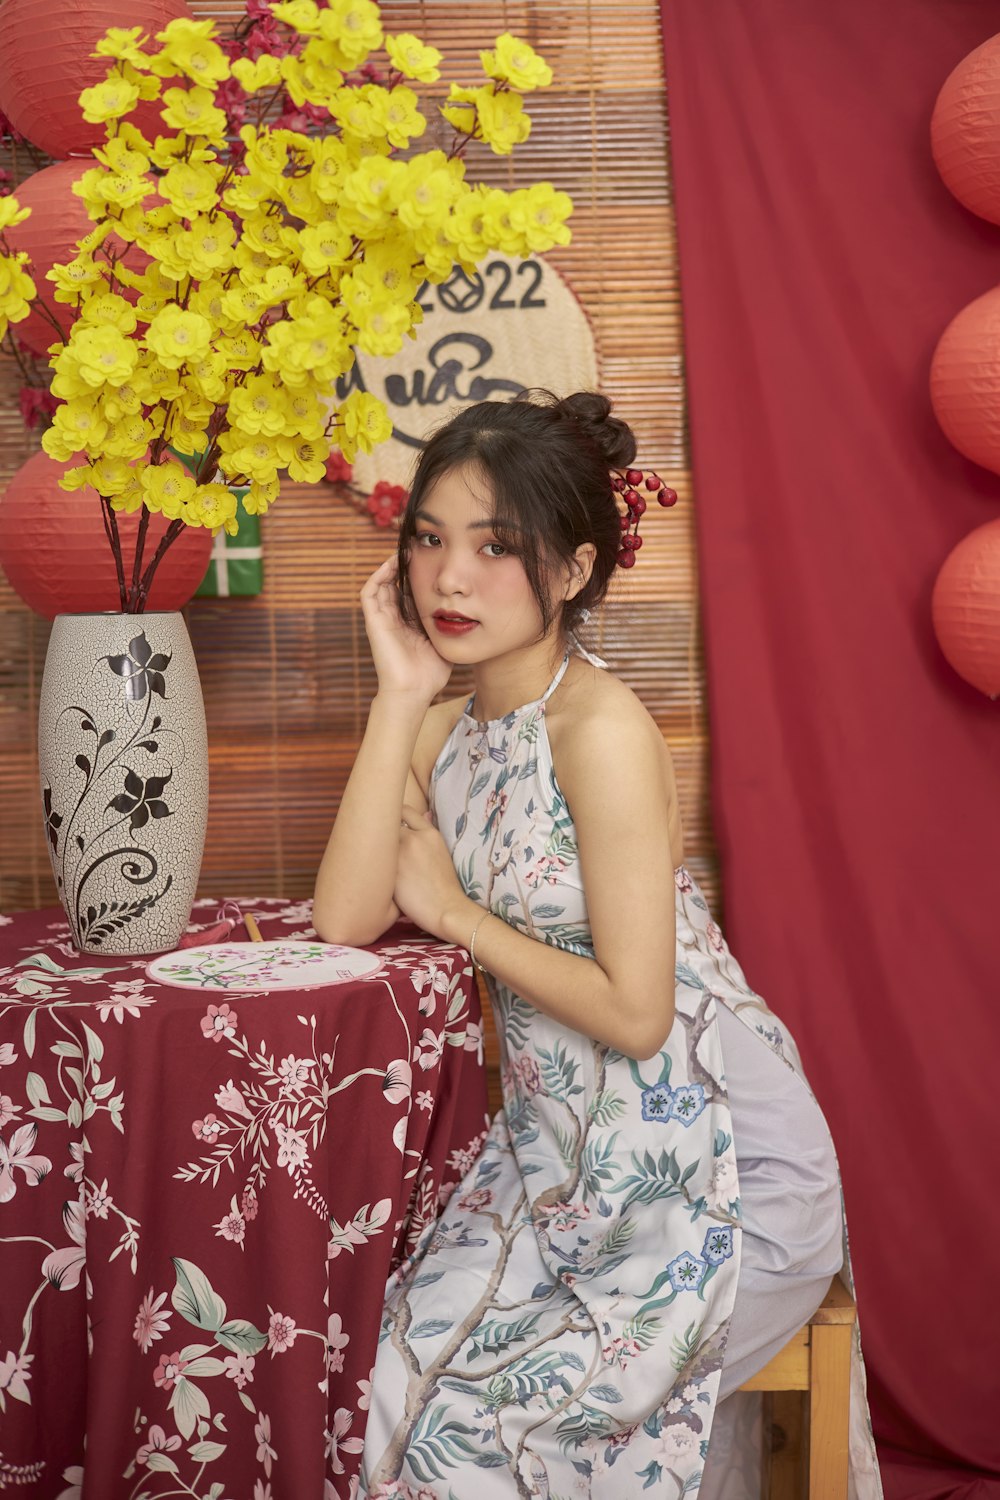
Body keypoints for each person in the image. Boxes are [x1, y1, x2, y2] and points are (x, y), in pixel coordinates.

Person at [313, 390, 879, 1499]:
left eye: (495, 546)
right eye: (428, 541)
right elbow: (341, 915)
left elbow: (638, 1013)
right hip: (557, 1169)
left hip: (719, 1176)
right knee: (383, 1396)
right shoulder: (442, 724)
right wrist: (398, 695)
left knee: (503, 1438)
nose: (449, 578)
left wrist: (459, 919)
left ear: (571, 570)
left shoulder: (601, 731)